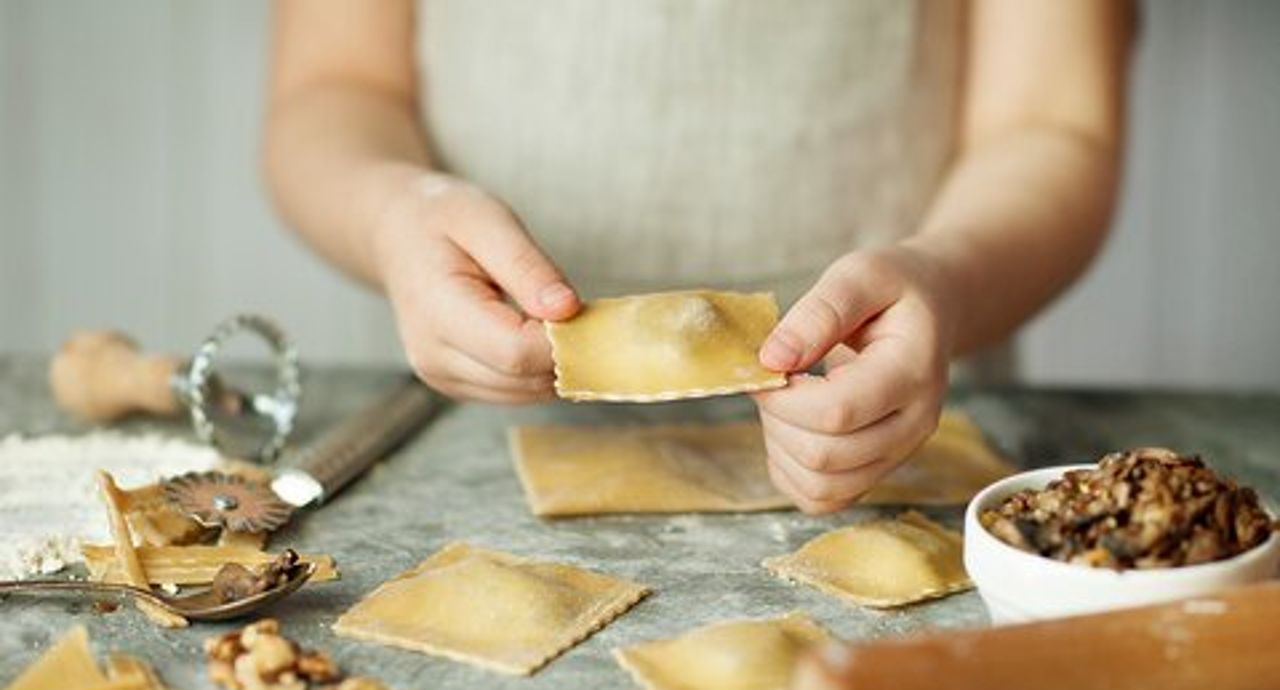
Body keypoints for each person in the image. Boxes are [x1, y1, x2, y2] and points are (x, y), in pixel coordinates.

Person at [264, 0, 1134, 514]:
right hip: (456, 426)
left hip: (904, 419)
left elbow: (1051, 122)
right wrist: (391, 214)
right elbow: (333, 87)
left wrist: (947, 277)